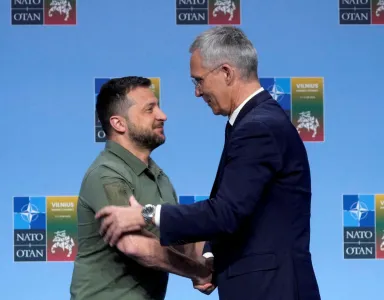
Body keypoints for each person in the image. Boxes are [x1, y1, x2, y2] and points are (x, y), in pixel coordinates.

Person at [95, 27, 321, 300]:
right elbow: (248, 211)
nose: (197, 92)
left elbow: (226, 213)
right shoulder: (254, 122)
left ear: (226, 72)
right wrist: (211, 253)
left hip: (272, 290)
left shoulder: (258, 127)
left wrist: (145, 214)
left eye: (199, 81)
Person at [69, 76, 213, 300]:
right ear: (119, 124)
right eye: (149, 109)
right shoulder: (106, 173)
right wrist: (199, 272)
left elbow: (183, 243)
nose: (162, 115)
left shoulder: (160, 177)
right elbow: (136, 245)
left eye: (158, 106)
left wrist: (223, 261)